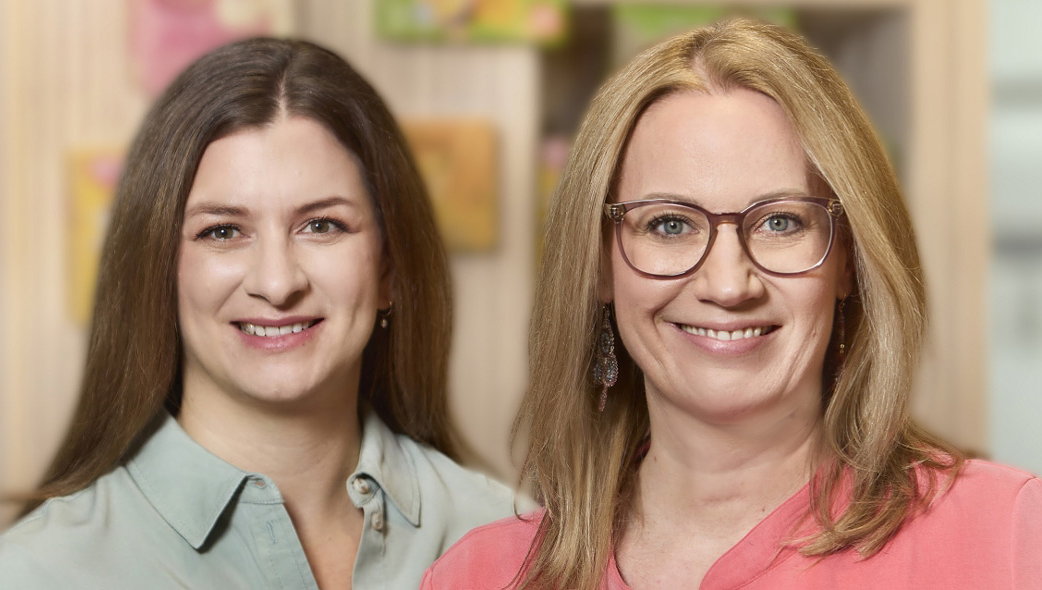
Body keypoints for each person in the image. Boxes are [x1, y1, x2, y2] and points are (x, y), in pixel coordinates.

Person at [421, 18, 1042, 590]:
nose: (727, 285)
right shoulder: (477, 577)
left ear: (849, 261)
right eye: (669, 224)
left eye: (779, 221)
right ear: (599, 266)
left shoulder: (1010, 537)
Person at [0, 37, 517, 589]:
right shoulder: (37, 574)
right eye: (223, 231)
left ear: (389, 267)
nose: (277, 283)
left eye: (322, 225)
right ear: (158, 273)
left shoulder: (522, 548)